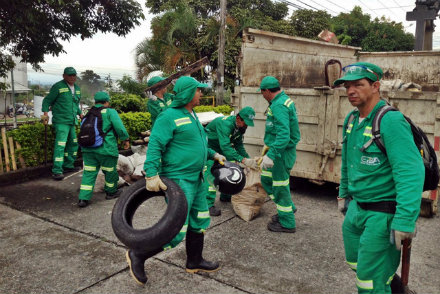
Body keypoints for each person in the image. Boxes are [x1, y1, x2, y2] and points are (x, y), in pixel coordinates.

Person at [126, 76, 226, 286]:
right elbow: (155, 145)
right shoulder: (168, 116)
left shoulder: (192, 115)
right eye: (198, 90)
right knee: (176, 230)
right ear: (189, 93)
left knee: (199, 220)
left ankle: (194, 260)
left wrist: (213, 154)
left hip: (197, 178)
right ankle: (138, 254)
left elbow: (195, 144)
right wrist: (151, 173)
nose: (201, 93)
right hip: (180, 180)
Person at [335, 62, 424, 293]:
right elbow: (348, 161)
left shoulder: (390, 121)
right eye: (347, 86)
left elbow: (410, 172)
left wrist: (405, 220)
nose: (351, 91)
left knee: (369, 283)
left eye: (358, 85)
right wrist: (344, 193)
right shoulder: (352, 119)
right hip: (357, 208)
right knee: (356, 264)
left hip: (382, 214)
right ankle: (389, 284)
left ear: (375, 86)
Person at [259, 76, 300, 233]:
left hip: (281, 154)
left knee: (280, 186)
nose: (262, 95)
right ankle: (288, 208)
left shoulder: (279, 105)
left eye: (262, 92)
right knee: (266, 180)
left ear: (268, 91)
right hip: (277, 151)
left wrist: (272, 154)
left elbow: (284, 135)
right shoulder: (280, 102)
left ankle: (287, 223)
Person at [77, 92, 130, 208]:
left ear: (95, 101)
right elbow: (119, 128)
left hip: (87, 148)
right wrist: (125, 139)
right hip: (105, 148)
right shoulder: (110, 112)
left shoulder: (88, 113)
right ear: (107, 102)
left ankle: (83, 198)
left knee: (89, 173)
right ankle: (111, 192)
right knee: (110, 171)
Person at [204, 106, 258, 216]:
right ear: (238, 118)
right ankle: (207, 205)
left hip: (222, 148)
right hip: (210, 148)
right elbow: (226, 148)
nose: (246, 126)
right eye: (245, 123)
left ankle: (226, 195)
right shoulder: (226, 124)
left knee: (228, 170)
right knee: (211, 174)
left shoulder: (239, 128)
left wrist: (249, 160)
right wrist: (242, 160)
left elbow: (238, 146)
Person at [41, 67, 83, 180]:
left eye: (74, 75)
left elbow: (75, 104)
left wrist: (81, 114)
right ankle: (57, 170)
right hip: (61, 121)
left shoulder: (77, 89)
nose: (72, 77)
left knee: (73, 144)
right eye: (70, 75)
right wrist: (45, 113)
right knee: (60, 145)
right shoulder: (58, 86)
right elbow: (47, 100)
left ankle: (68, 166)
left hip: (72, 121)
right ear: (64, 76)